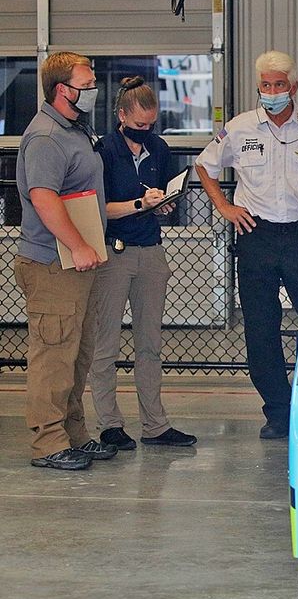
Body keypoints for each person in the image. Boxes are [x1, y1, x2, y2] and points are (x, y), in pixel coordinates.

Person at [195, 51, 298, 440]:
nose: (272, 92)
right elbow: (205, 165)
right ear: (258, 87)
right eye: (266, 86)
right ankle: (278, 412)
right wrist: (223, 205)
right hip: (256, 236)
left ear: (294, 87)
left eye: (279, 85)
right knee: (261, 328)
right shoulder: (240, 128)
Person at [13, 51, 118, 470]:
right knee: (53, 356)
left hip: (76, 265)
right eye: (87, 83)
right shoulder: (46, 137)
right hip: (53, 264)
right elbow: (43, 196)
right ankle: (48, 442)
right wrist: (77, 244)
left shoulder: (75, 129)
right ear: (63, 89)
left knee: (77, 352)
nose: (94, 89)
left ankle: (73, 434)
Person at [90, 76, 198, 451]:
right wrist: (141, 205)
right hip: (114, 251)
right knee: (105, 343)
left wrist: (165, 203)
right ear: (121, 116)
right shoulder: (103, 151)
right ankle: (109, 424)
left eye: (150, 125)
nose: (145, 132)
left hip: (150, 249)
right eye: (138, 125)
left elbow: (166, 194)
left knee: (150, 342)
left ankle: (155, 423)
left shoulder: (159, 147)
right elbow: (98, 209)